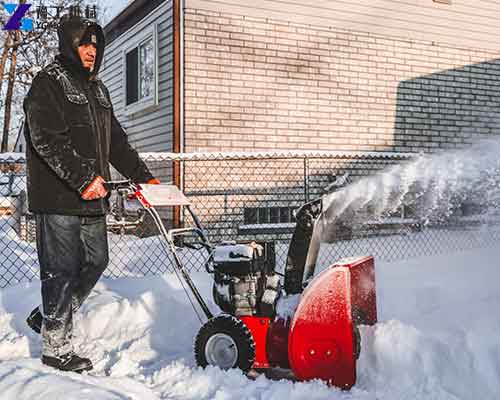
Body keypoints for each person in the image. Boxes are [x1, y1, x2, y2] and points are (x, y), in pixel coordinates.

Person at [23, 15, 159, 373]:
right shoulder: (47, 83)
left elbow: (116, 142)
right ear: (69, 44)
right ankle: (56, 347)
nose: (91, 51)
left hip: (92, 198)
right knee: (61, 270)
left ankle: (50, 315)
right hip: (59, 199)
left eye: (96, 45)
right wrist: (84, 178)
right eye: (84, 44)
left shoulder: (98, 89)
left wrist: (145, 179)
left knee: (96, 261)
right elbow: (47, 139)